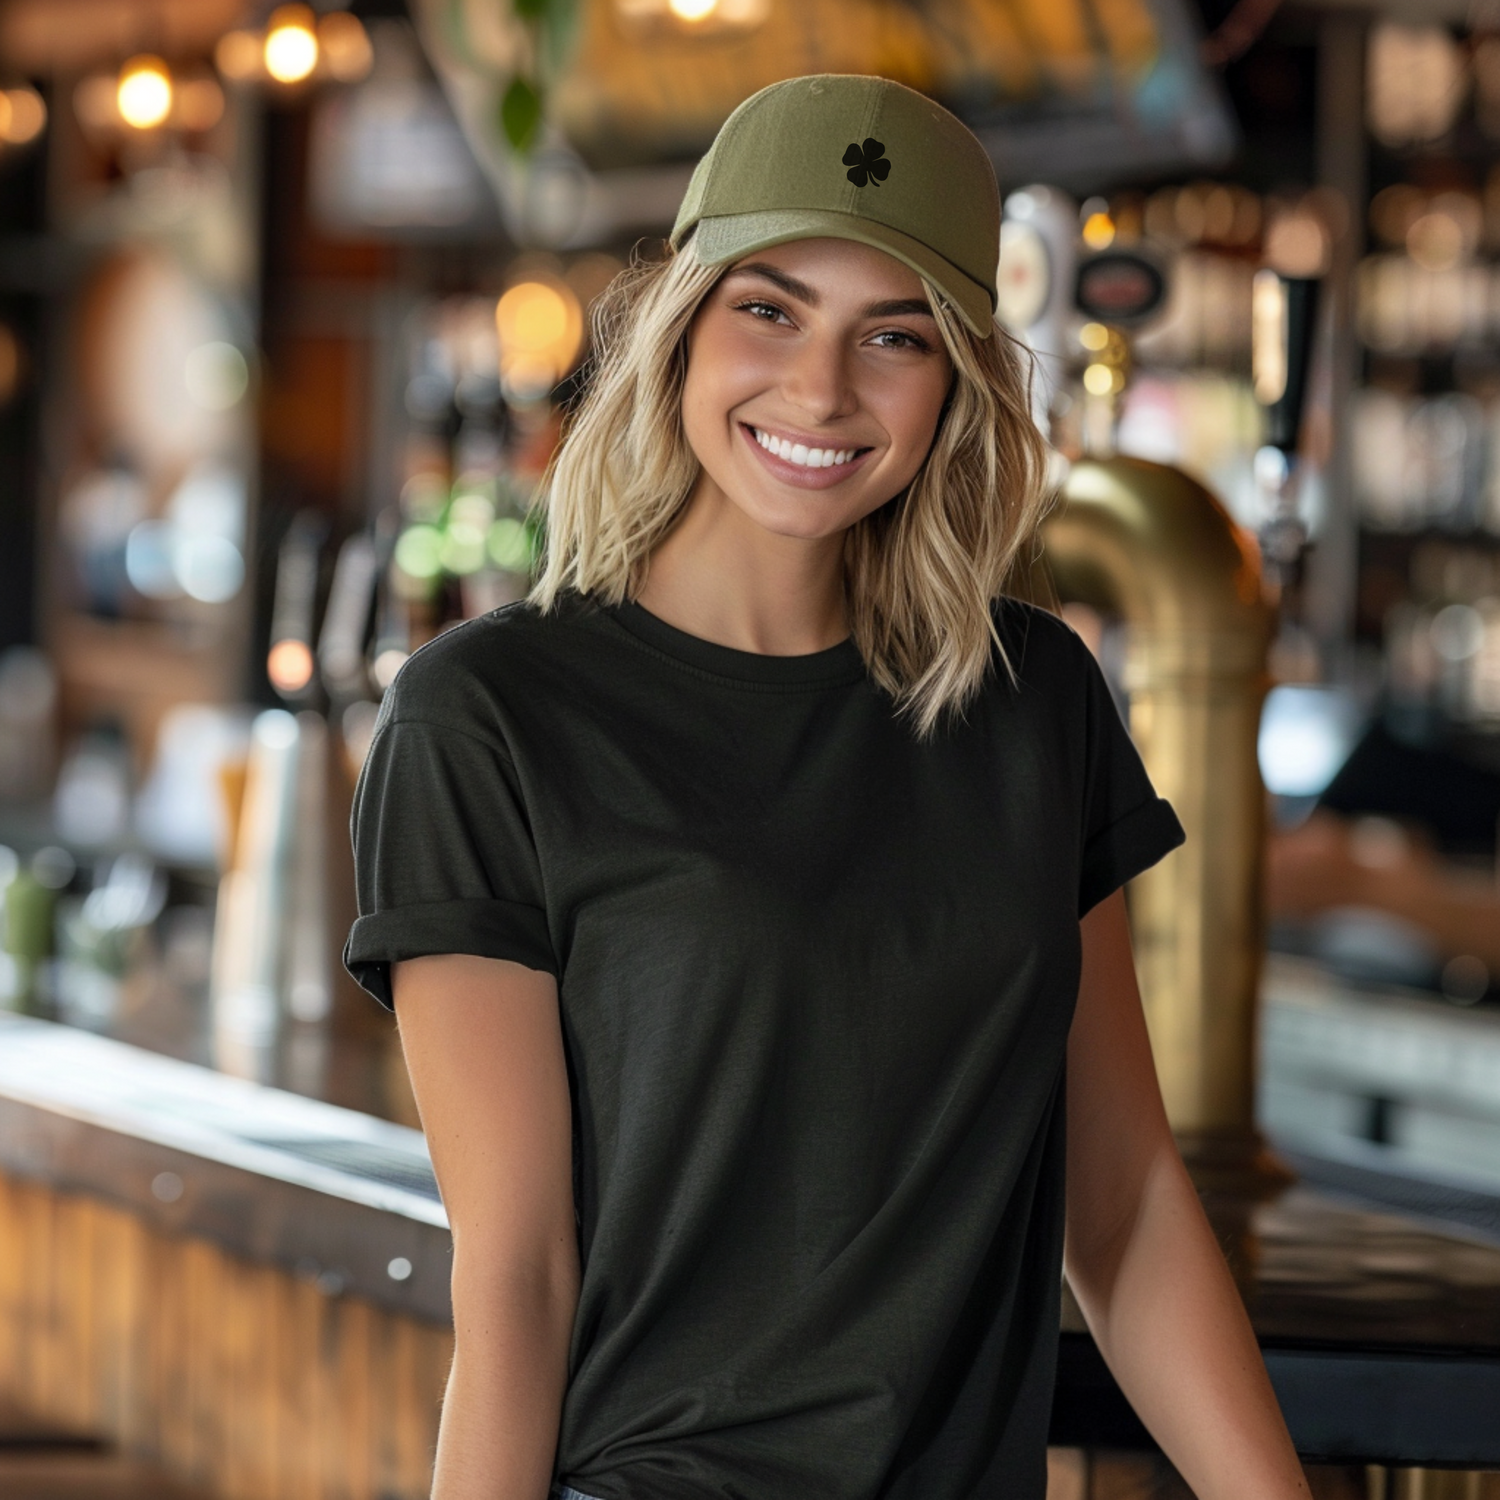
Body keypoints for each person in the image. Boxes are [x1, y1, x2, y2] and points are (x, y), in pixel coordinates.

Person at [345, 74, 1310, 1500]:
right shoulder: (489, 717)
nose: (821, 390)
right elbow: (519, 1275)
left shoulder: (1032, 698)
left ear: (961, 379)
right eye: (769, 309)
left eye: (894, 335)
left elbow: (1122, 1205)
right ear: (679, 325)